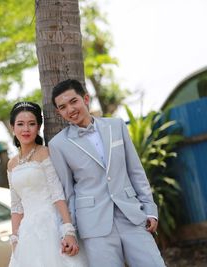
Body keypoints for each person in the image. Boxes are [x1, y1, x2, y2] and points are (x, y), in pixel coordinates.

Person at [48, 79, 166, 267]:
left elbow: (135, 171)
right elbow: (66, 191)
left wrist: (150, 209)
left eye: (73, 101)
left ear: (85, 98)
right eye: (63, 107)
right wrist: (69, 231)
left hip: (132, 215)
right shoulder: (58, 144)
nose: (70, 110)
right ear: (58, 112)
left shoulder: (116, 126)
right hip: (94, 225)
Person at [7, 101, 88, 267]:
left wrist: (68, 229)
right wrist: (15, 239)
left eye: (32, 124)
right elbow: (16, 206)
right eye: (20, 124)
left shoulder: (44, 153)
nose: (26, 129)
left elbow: (57, 193)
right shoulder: (11, 164)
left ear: (38, 127)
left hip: (50, 225)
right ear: (12, 128)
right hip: (27, 232)